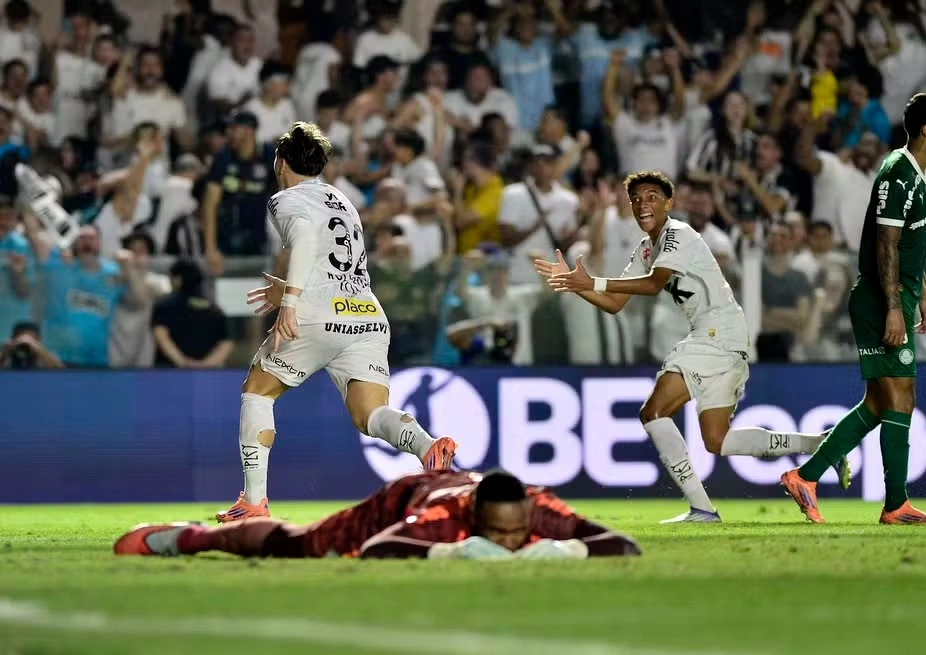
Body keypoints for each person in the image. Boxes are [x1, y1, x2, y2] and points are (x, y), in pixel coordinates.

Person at [537, 170, 848, 523]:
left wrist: (590, 278)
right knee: (718, 440)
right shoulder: (646, 248)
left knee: (653, 412)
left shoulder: (678, 234)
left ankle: (702, 509)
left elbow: (655, 284)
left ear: (669, 203)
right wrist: (574, 284)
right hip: (721, 334)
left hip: (716, 332)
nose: (642, 204)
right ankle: (821, 445)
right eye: (636, 199)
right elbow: (614, 302)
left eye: (652, 196)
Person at [216, 121, 457, 523]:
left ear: (280, 162)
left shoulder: (286, 199)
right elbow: (333, 261)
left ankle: (254, 504)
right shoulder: (342, 201)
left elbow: (308, 240)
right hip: (365, 314)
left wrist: (290, 302)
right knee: (371, 415)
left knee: (257, 391)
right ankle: (428, 447)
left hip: (317, 315)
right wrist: (295, 290)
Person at [780, 93, 926, 525]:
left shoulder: (922, 172)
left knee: (881, 404)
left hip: (901, 293)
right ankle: (893, 503)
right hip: (881, 298)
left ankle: (807, 477)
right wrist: (895, 307)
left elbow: (911, 244)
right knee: (899, 397)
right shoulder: (898, 172)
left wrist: (925, 293)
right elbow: (886, 243)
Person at [115, 469, 641, 560]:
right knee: (300, 546)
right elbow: (378, 549)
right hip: (406, 499)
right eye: (495, 534)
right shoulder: (446, 519)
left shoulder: (542, 510)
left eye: (516, 534)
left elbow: (623, 545)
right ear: (474, 518)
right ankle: (193, 539)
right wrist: (454, 552)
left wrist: (564, 549)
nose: (507, 543)